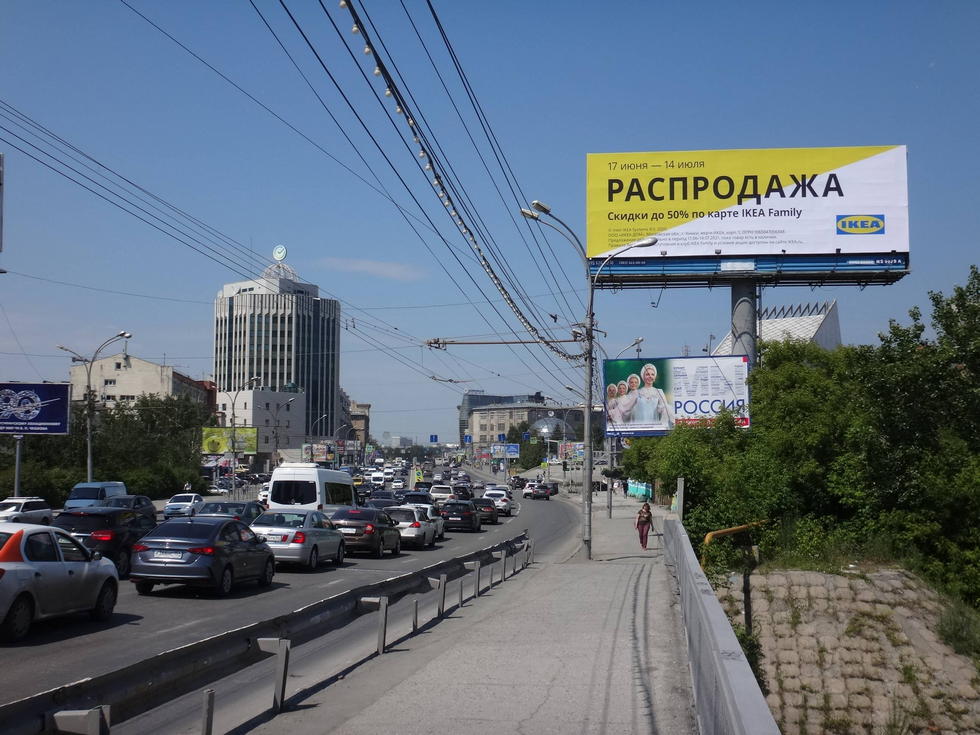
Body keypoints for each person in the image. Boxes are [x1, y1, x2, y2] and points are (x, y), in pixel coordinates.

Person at [631, 363, 675, 429]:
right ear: (643, 376)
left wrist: (661, 426)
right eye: (647, 374)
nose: (650, 376)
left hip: (654, 430)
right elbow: (630, 411)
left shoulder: (659, 392)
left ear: (654, 377)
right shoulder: (637, 392)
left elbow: (664, 408)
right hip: (639, 430)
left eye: (652, 374)